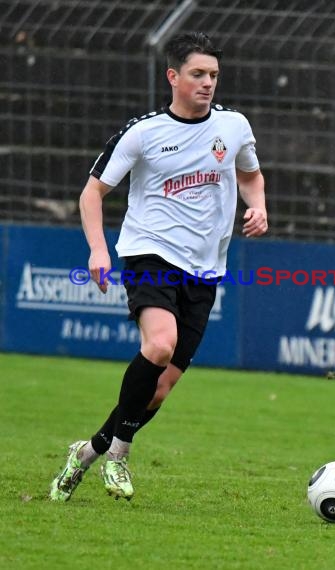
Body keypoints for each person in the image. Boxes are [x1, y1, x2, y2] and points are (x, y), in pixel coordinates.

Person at [49, 31, 267, 502]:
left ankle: (87, 452)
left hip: (206, 269)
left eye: (213, 75)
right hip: (150, 253)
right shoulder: (144, 132)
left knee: (160, 389)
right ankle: (119, 457)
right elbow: (92, 192)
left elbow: (250, 173)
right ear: (173, 76)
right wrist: (98, 250)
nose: (208, 83)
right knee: (160, 345)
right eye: (197, 74)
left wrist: (259, 205)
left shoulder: (233, 127)